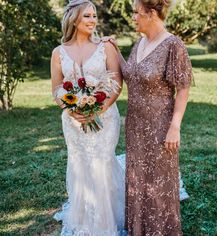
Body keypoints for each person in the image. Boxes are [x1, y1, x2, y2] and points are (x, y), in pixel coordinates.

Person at [109, 0, 193, 235]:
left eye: (136, 12)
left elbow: (183, 88)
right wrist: (115, 50)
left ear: (152, 13)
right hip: (135, 126)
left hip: (160, 127)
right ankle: (139, 229)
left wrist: (175, 126)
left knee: (158, 181)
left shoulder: (173, 45)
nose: (133, 17)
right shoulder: (139, 43)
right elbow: (131, 75)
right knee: (138, 178)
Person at [50, 0, 125, 235]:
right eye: (87, 16)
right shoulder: (58, 53)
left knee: (101, 163)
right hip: (73, 122)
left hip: (105, 117)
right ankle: (83, 220)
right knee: (79, 163)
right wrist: (72, 110)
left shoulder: (106, 47)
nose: (93, 20)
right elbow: (56, 89)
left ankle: (105, 224)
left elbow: (116, 83)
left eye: (94, 16)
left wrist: (97, 110)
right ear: (74, 19)